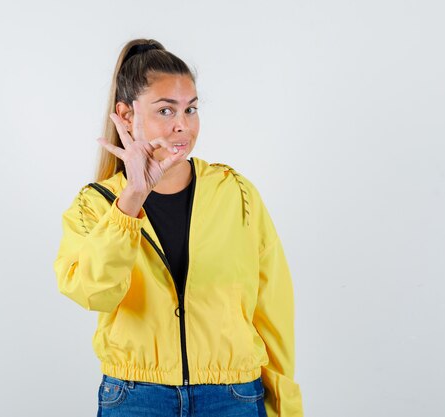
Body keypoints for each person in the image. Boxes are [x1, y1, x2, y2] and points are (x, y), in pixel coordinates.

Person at [53, 38, 304, 417]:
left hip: (233, 396)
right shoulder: (96, 204)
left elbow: (273, 310)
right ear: (125, 115)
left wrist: (285, 406)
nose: (182, 126)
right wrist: (133, 198)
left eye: (190, 109)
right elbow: (92, 293)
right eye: (166, 111)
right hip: (136, 398)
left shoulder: (236, 193)